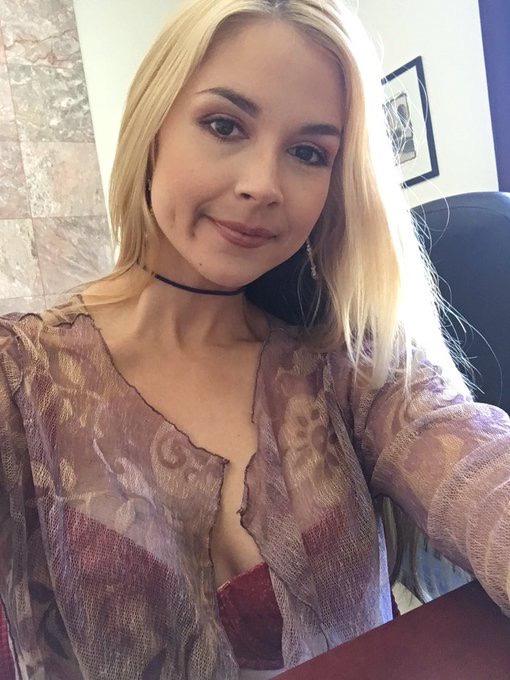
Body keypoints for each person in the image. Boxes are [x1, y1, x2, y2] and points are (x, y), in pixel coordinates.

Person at [0, 1, 509, 678]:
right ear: (153, 127)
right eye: (224, 125)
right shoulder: (21, 378)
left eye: (308, 153)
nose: (263, 185)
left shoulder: (347, 364)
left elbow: (479, 469)